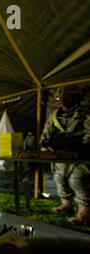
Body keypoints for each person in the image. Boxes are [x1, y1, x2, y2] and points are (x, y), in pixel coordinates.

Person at [39, 86, 90, 225]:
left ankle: (84, 213)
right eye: (59, 98)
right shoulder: (55, 115)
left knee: (77, 180)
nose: (61, 100)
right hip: (61, 154)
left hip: (81, 155)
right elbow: (46, 133)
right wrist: (45, 146)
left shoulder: (85, 113)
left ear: (75, 98)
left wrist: (82, 148)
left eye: (66, 97)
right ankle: (66, 205)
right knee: (59, 178)